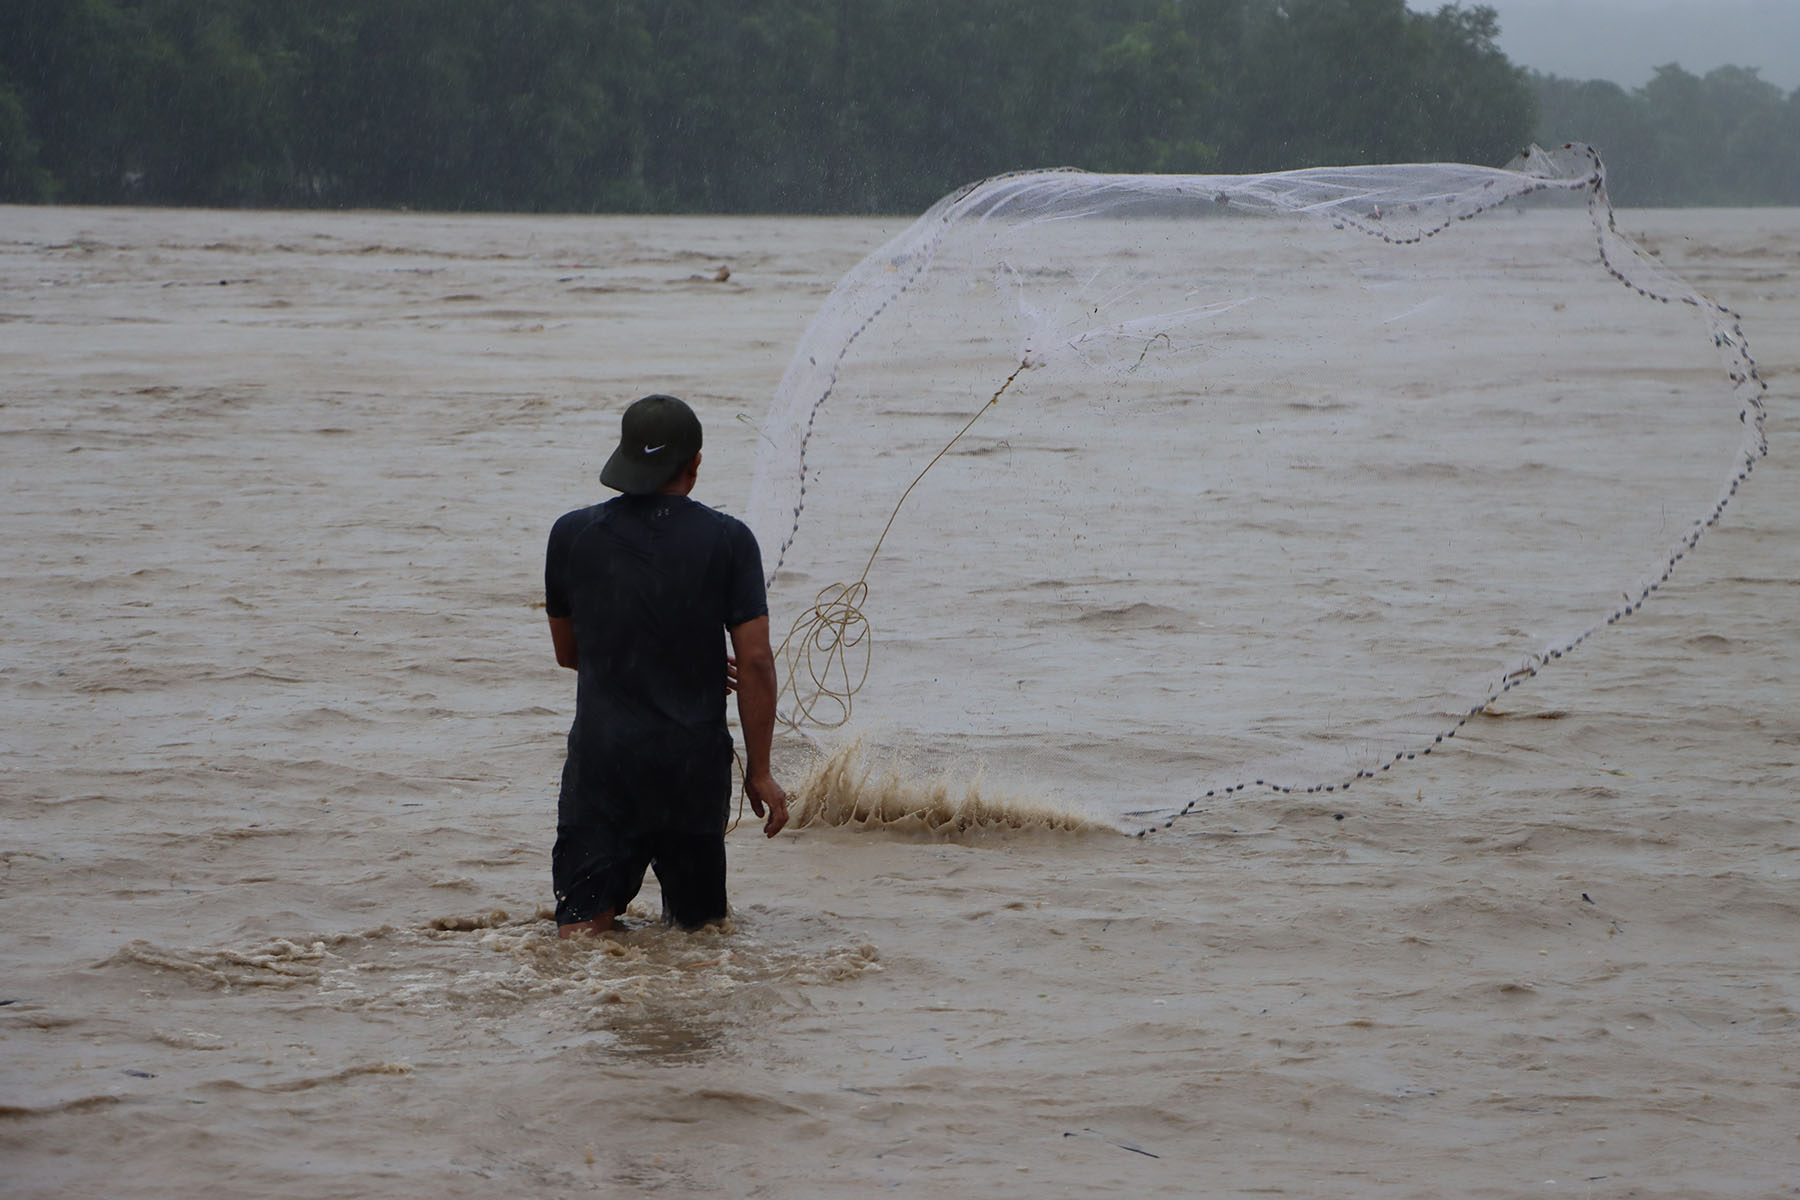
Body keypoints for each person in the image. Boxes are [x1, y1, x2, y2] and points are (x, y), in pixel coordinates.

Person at [544, 394, 788, 937]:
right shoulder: (730, 539)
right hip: (690, 767)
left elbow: (569, 654)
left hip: (603, 765)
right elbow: (755, 661)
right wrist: (761, 771)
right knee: (697, 938)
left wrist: (645, 656)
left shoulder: (570, 535)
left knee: (583, 933)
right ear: (694, 464)